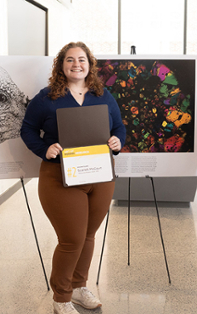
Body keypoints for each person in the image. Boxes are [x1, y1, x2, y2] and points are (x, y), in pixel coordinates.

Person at [20, 42, 125, 314]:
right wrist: (45, 149)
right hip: (60, 176)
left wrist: (117, 141)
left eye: (81, 59)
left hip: (100, 174)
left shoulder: (103, 95)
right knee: (72, 239)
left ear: (90, 64)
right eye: (70, 60)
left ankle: (79, 288)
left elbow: (119, 128)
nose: (76, 64)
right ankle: (61, 298)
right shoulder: (46, 98)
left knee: (88, 235)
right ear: (61, 65)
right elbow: (28, 129)